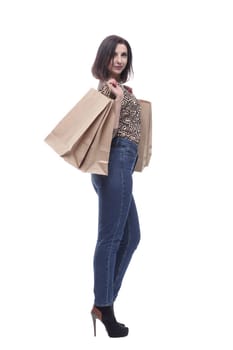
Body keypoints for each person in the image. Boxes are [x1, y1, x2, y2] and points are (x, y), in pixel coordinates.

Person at [90, 35, 142, 338]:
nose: (120, 60)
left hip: (123, 163)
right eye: (115, 54)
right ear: (105, 57)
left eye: (124, 55)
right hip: (114, 161)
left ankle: (105, 300)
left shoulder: (120, 88)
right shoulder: (108, 90)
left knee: (132, 235)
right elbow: (105, 134)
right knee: (110, 238)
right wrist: (119, 101)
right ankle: (104, 305)